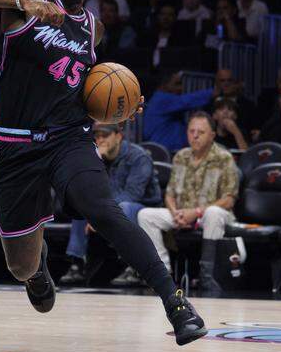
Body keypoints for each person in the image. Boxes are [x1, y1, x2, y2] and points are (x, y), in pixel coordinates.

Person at [0, 0, 207, 345]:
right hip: (15, 146)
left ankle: (176, 302)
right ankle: (37, 270)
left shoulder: (94, 29)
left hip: (68, 139)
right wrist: (26, 2)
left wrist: (120, 105)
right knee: (19, 266)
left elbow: (81, 89)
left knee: (105, 209)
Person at [138, 112, 239, 293]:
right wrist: (175, 211)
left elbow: (229, 199)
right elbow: (169, 194)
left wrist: (198, 212)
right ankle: (163, 274)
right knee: (145, 215)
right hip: (183, 213)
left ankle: (207, 276)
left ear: (212, 135)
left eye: (200, 132)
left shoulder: (224, 158)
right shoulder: (181, 156)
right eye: (191, 131)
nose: (195, 135)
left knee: (213, 213)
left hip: (213, 215)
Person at [61, 122, 161, 286]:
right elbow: (88, 190)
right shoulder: (96, 157)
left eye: (105, 136)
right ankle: (77, 263)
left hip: (143, 208)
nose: (100, 140)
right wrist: (96, 163)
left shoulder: (139, 157)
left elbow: (132, 194)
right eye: (97, 136)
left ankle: (132, 266)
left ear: (119, 136)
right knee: (80, 205)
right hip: (111, 208)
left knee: (125, 207)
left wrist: (101, 214)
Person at [143, 71, 214, 151]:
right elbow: (187, 101)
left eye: (181, 84)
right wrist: (213, 92)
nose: (181, 88)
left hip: (171, 151)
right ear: (164, 85)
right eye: (177, 84)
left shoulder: (162, 100)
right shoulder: (161, 99)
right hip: (164, 153)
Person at [214, 68, 258, 136]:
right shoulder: (211, 103)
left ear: (237, 84)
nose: (226, 84)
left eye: (230, 80)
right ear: (217, 84)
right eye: (222, 81)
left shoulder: (249, 105)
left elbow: (254, 130)